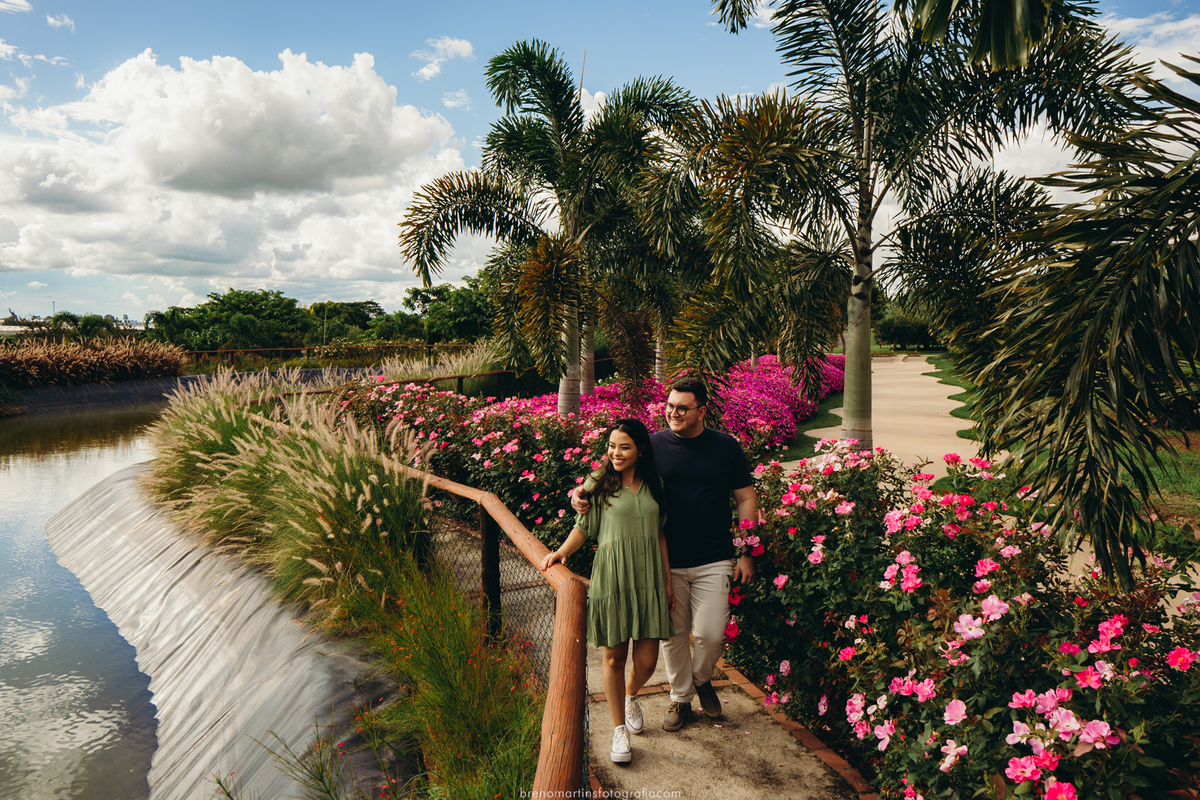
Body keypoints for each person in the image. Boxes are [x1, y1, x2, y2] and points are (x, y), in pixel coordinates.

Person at [572, 377, 757, 732]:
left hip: (713, 555)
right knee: (673, 636)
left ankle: (701, 679)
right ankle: (681, 698)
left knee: (711, 634)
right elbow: (612, 469)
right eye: (669, 405)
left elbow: (746, 498)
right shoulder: (652, 446)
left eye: (682, 407)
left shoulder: (725, 447)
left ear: (702, 411)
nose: (673, 412)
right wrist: (579, 493)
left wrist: (747, 550)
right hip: (663, 560)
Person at [540, 418, 675, 765]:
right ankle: (619, 731)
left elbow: (660, 535)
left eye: (624, 446)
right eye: (612, 446)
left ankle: (631, 696)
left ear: (640, 450)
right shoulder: (597, 485)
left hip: (648, 582)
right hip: (613, 580)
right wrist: (561, 552)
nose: (615, 453)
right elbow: (583, 527)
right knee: (614, 657)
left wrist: (668, 582)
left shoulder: (655, 485)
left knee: (647, 661)